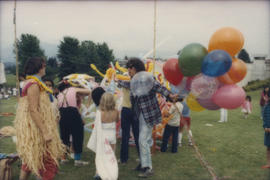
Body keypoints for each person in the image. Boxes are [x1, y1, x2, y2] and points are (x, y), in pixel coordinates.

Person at [117, 57, 178, 178]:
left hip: (148, 115)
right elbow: (129, 87)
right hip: (139, 115)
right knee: (142, 140)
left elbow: (159, 87)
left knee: (142, 140)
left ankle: (148, 168)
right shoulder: (134, 80)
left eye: (129, 69)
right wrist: (119, 82)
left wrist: (170, 96)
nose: (128, 72)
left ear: (133, 68)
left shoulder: (147, 78)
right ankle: (143, 164)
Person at [14, 57, 64, 180]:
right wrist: (45, 132)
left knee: (32, 157)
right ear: (38, 67)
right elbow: (33, 110)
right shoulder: (33, 84)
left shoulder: (33, 82)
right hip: (38, 129)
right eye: (44, 65)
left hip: (36, 128)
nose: (45, 67)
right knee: (48, 161)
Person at [57, 80, 91, 166]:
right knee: (77, 136)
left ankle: (63, 159)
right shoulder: (73, 89)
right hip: (73, 114)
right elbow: (88, 91)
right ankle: (77, 160)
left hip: (62, 114)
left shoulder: (59, 95)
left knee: (64, 137)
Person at [118, 78, 140, 164]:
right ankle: (141, 157)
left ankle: (124, 159)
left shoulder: (124, 81)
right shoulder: (139, 83)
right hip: (134, 110)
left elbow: (120, 83)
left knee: (125, 135)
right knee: (137, 134)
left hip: (126, 110)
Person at [262, 91, 270, 169]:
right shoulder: (266, 107)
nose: (266, 98)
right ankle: (269, 164)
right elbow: (264, 119)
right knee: (268, 148)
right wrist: (265, 127)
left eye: (267, 96)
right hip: (268, 131)